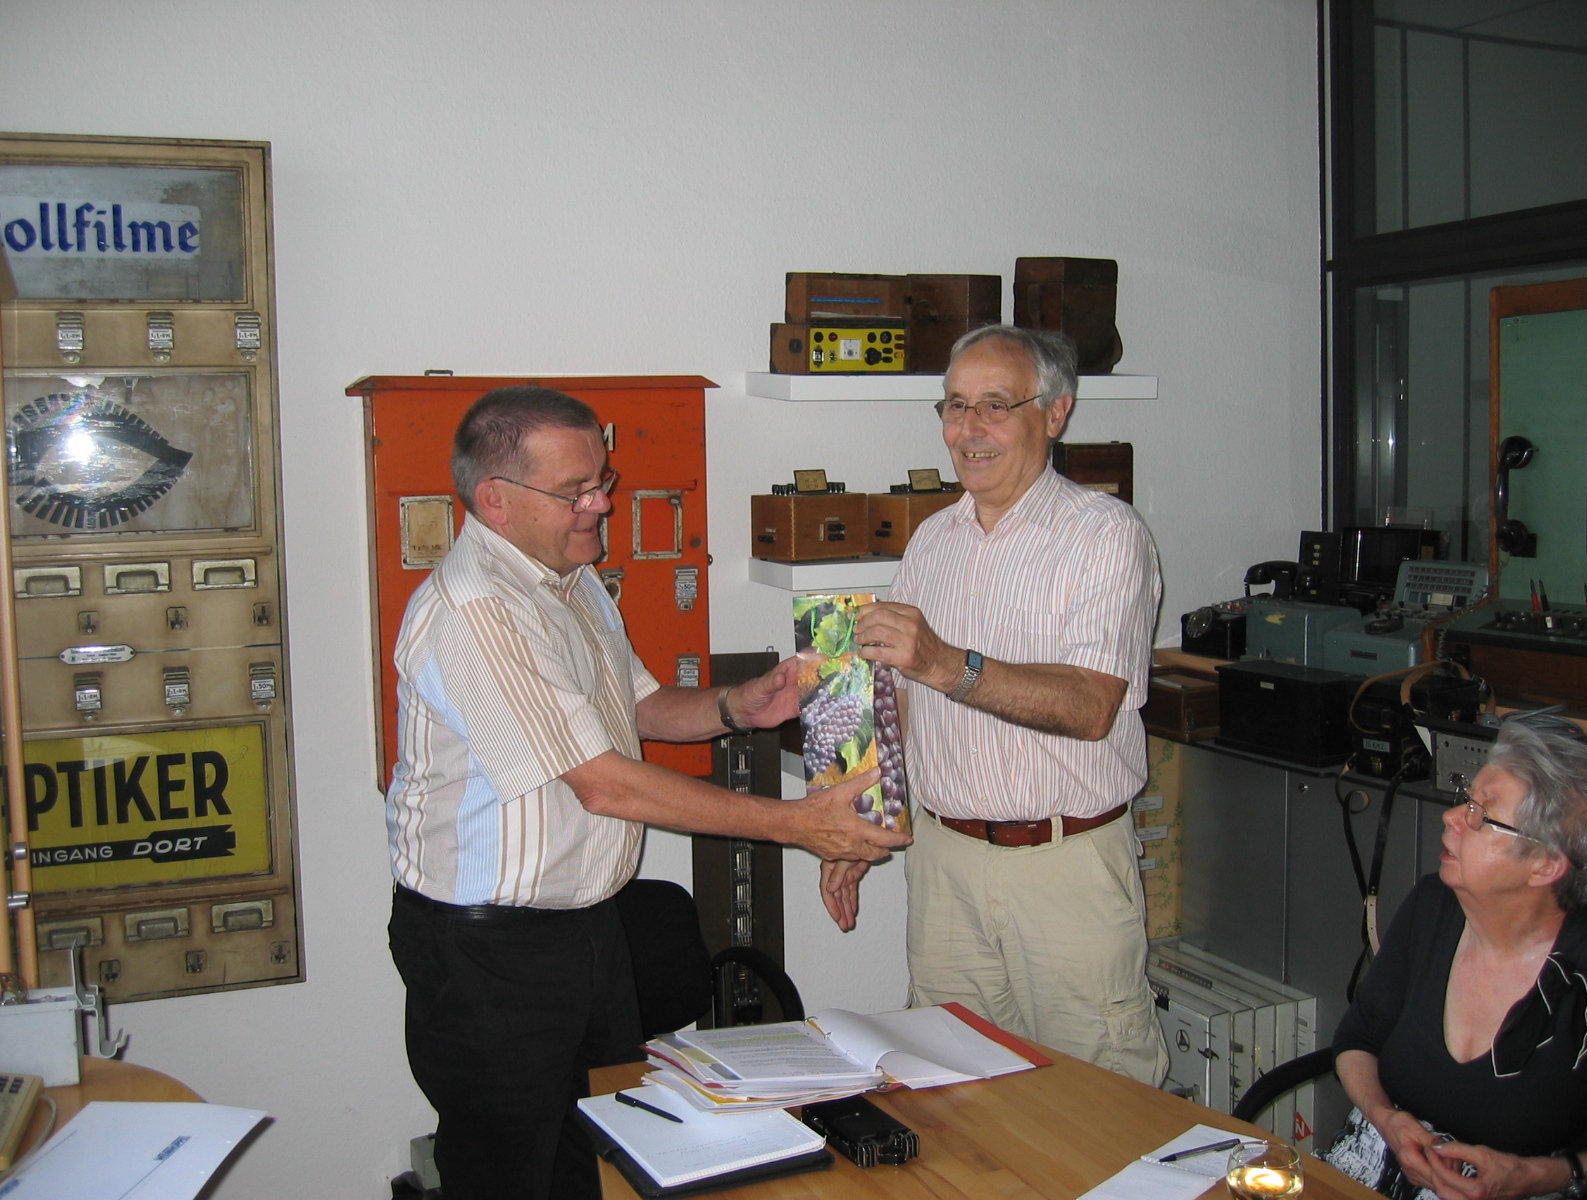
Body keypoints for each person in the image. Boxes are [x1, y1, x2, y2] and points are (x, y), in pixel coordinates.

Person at [385, 385, 909, 1200]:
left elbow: (634, 706)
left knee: (601, 1164)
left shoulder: (570, 576)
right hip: (489, 953)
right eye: (575, 491)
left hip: (587, 929)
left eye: (602, 481)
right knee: (510, 1175)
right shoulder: (476, 609)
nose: (600, 504)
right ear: (496, 500)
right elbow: (602, 784)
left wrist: (738, 707)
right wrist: (798, 824)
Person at [821, 324, 1169, 1085]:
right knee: (950, 1096)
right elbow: (894, 701)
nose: (968, 429)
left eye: (995, 405)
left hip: (1066, 868)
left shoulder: (1104, 536)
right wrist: (856, 823)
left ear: (1056, 412)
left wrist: (946, 664)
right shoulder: (931, 542)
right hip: (944, 865)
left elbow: (1091, 707)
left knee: (1097, 1104)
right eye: (955, 405)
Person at [1328, 721, 1587, 1200]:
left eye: (1481, 813)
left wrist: (1539, 1176)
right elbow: (1358, 1040)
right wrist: (1386, 1119)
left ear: (1545, 865)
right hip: (1376, 1165)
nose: (1452, 816)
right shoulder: (1432, 906)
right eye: (1465, 798)